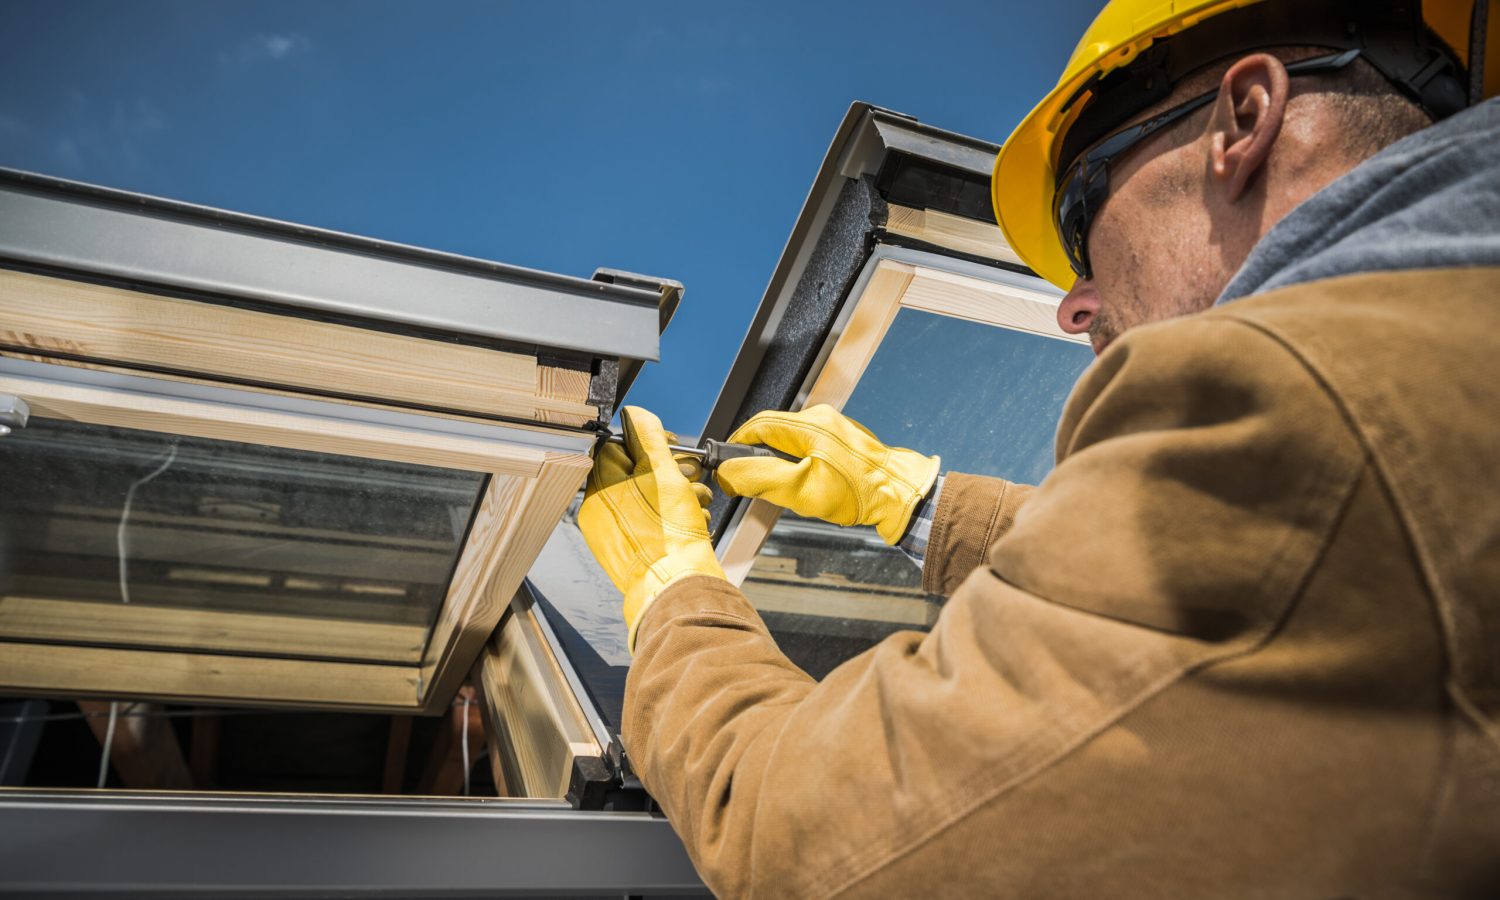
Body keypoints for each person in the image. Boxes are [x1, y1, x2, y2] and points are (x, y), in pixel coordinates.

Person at [579, 0, 1500, 895]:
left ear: (1245, 120)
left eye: (1080, 219)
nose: (1073, 304)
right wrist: (914, 503)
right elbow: (1229, 580)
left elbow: (808, 836)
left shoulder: (1306, 399)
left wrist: (675, 596)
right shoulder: (1435, 357)